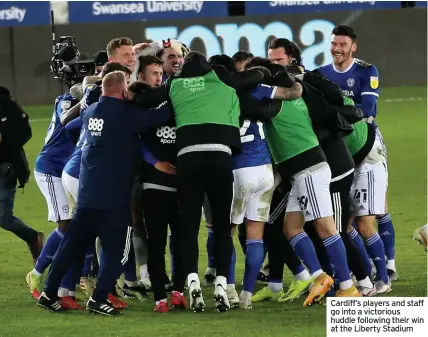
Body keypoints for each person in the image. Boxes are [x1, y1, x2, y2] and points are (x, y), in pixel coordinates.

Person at [131, 51, 268, 312]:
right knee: (221, 224)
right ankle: (221, 283)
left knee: (189, 224)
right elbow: (256, 76)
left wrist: (131, 94)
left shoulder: (175, 83)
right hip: (221, 157)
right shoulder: (223, 79)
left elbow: (148, 98)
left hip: (188, 158)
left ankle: (191, 280)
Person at [37, 71, 171, 316]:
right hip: (114, 200)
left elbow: (72, 127)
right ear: (122, 91)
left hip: (87, 195)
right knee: (117, 252)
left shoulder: (90, 112)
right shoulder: (127, 115)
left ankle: (48, 292)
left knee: (70, 247)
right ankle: (99, 299)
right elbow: (162, 115)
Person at [316, 25, 398, 281]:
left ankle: (390, 262)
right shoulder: (321, 74)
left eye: (342, 44)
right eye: (333, 44)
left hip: (367, 145)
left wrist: (331, 113)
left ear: (354, 46)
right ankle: (366, 267)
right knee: (350, 214)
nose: (337, 49)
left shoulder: (366, 71)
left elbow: (368, 109)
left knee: (377, 209)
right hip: (339, 147)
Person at [135, 55, 187, 313]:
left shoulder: (173, 98)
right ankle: (159, 297)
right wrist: (155, 163)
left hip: (180, 186)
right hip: (153, 184)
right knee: (156, 241)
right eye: (153, 73)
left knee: (180, 240)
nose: (158, 78)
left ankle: (177, 291)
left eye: (160, 73)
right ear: (141, 76)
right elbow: (137, 139)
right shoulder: (140, 104)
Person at [27, 84, 81, 300]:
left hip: (66, 168)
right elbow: (66, 118)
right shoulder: (66, 100)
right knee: (67, 225)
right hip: (51, 168)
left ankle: (67, 286)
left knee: (77, 227)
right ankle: (37, 273)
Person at [0, 86, 44, 264]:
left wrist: (4, 137)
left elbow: (25, 133)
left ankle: (33, 238)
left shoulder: (7, 106)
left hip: (5, 168)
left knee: (4, 218)